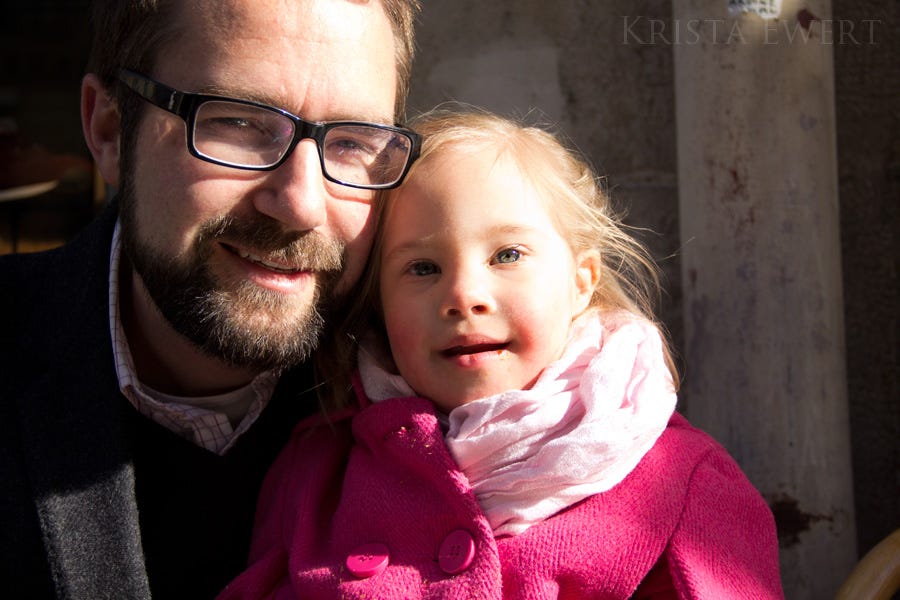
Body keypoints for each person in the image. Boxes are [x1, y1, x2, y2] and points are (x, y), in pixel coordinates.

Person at [217, 107, 785, 599]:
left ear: (581, 281)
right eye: (422, 268)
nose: (464, 295)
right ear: (379, 306)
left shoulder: (681, 482)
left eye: (507, 255)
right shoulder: (319, 469)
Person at [0, 0, 421, 597]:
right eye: (239, 123)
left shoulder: (443, 389)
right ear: (110, 131)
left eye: (353, 143)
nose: (301, 204)